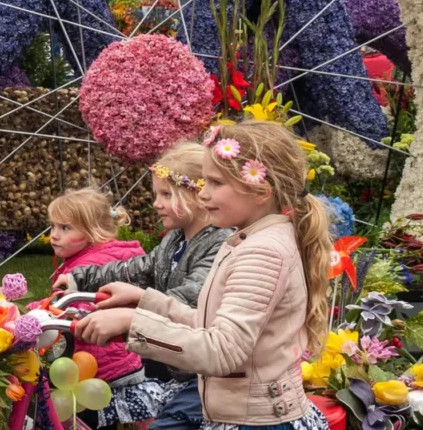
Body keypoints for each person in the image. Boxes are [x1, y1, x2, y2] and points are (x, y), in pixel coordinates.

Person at [75, 121, 331, 430]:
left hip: (255, 422)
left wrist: (133, 324)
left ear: (260, 189)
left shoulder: (261, 252)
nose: (203, 192)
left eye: (214, 183)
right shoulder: (251, 239)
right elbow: (214, 325)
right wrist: (146, 301)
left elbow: (222, 351)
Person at [55, 141, 231, 430]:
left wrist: (130, 313)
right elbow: (137, 268)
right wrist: (80, 277)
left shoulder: (217, 244)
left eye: (165, 194)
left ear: (197, 195)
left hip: (206, 373)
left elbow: (187, 298)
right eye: (156, 194)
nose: (156, 203)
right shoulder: (175, 239)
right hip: (178, 366)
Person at [47, 187, 168, 430]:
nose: (54, 235)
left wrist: (35, 310)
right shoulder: (88, 257)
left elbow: (78, 306)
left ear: (93, 231)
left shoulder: (96, 263)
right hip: (119, 361)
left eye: (65, 228)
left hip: (105, 368)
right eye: (52, 226)